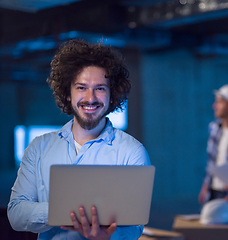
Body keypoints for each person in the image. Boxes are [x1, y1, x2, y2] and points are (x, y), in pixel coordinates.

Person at [7, 39, 150, 240]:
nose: (90, 98)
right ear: (68, 93)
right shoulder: (38, 148)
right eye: (81, 87)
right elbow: (16, 214)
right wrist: (67, 211)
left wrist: (106, 237)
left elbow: (135, 226)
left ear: (112, 95)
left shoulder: (132, 152)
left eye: (100, 88)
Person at [198, 83, 228, 214]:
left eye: (219, 102)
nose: (214, 106)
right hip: (213, 189)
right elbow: (212, 160)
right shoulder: (214, 127)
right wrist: (205, 186)